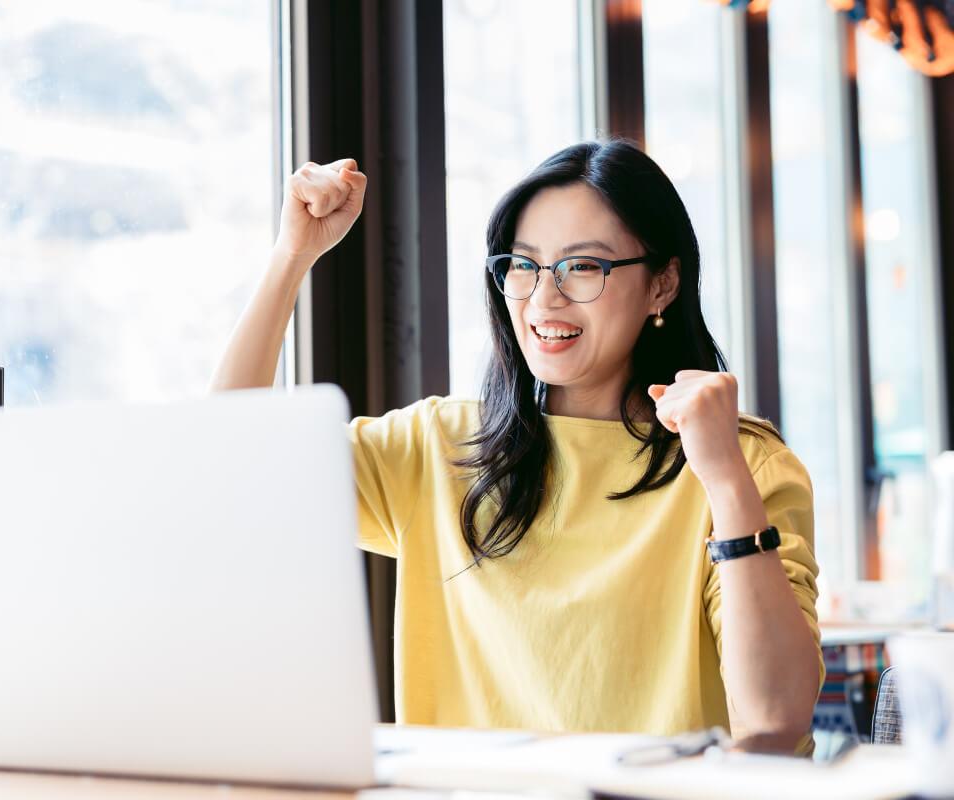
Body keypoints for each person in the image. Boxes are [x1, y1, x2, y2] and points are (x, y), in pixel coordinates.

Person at [211, 140, 823, 753]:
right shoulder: (439, 445)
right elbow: (231, 457)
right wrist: (294, 254)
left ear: (662, 284)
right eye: (524, 265)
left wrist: (722, 478)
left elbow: (776, 715)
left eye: (585, 267)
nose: (543, 298)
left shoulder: (743, 465)